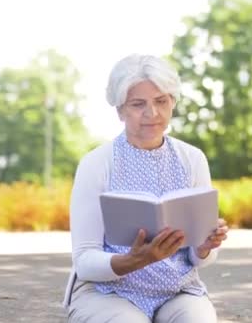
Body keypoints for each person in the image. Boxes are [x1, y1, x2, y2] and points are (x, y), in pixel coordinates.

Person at [63, 54, 229, 323]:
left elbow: (199, 260)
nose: (152, 114)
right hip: (108, 291)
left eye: (161, 101)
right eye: (138, 104)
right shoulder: (96, 164)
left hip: (178, 290)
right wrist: (133, 260)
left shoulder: (192, 159)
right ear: (120, 110)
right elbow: (84, 260)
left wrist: (204, 247)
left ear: (172, 103)